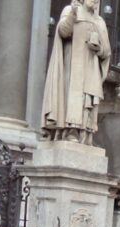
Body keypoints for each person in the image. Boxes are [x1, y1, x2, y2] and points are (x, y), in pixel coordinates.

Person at [42, 0, 111, 145]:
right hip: (72, 65)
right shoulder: (70, 11)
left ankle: (84, 134)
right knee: (70, 98)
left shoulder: (99, 21)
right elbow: (63, 32)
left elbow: (107, 52)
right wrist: (73, 15)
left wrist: (98, 48)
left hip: (90, 68)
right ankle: (69, 131)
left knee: (87, 101)